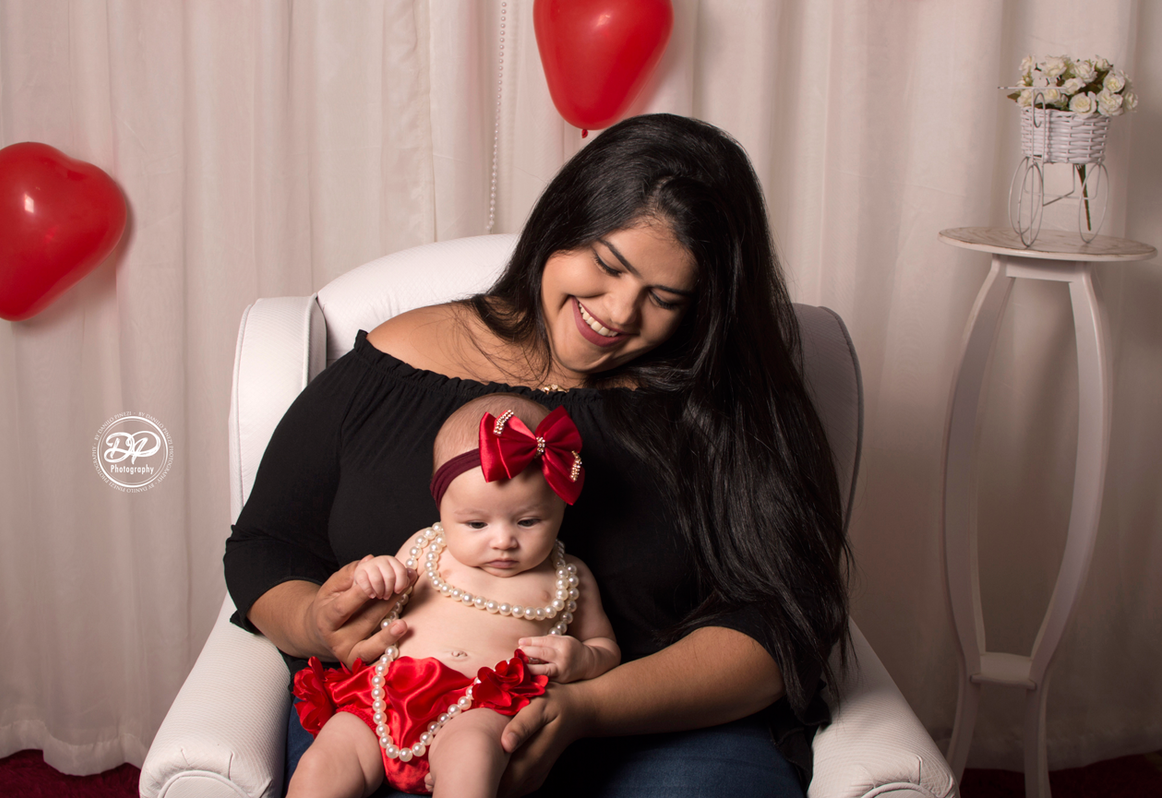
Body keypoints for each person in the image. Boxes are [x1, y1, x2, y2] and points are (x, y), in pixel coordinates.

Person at [225, 112, 851, 798]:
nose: (618, 312)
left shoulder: (727, 407)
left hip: (659, 727)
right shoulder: (394, 364)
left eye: (664, 297)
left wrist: (588, 708)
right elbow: (266, 544)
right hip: (395, 709)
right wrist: (317, 621)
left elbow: (780, 625)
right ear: (561, 224)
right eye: (608, 265)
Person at [287, 395, 620, 797]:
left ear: (560, 509)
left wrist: (583, 659)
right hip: (384, 699)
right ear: (442, 508)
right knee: (326, 758)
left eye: (528, 521)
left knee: (473, 757)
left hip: (478, 708)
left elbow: (605, 646)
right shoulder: (426, 548)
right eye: (477, 523)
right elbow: (375, 602)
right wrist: (371, 575)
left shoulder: (570, 577)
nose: (503, 541)